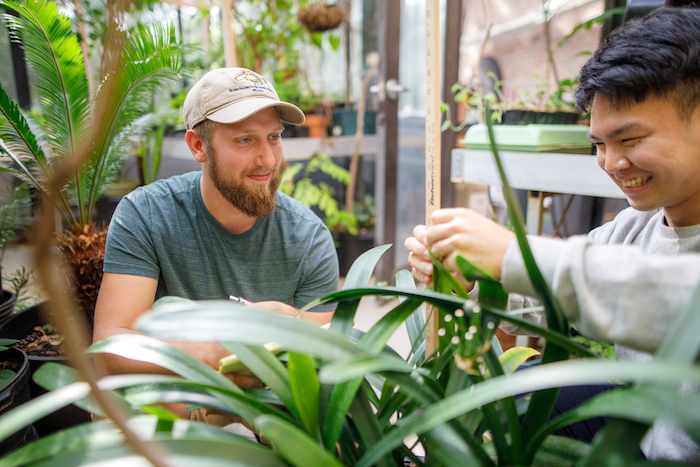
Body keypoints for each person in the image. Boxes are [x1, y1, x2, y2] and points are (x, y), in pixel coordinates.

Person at [406, 6, 700, 463]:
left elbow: (678, 301)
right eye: (600, 144)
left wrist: (508, 255)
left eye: (631, 139)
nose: (611, 163)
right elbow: (554, 296)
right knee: (524, 404)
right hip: (641, 431)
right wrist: (479, 279)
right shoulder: (636, 226)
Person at [93, 67, 339, 412]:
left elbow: (318, 364)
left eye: (274, 137)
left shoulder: (308, 237)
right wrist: (215, 350)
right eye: (244, 139)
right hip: (179, 400)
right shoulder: (146, 214)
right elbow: (109, 349)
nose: (267, 159)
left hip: (269, 407)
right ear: (198, 146)